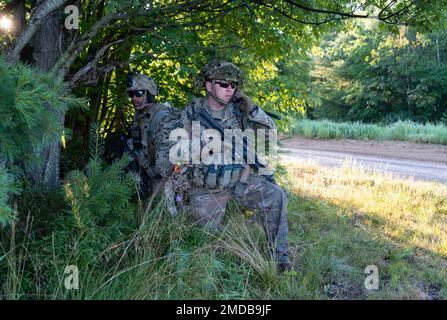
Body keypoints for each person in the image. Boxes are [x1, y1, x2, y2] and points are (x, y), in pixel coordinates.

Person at [177, 60, 292, 271]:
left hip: (239, 182)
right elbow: (177, 155)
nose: (230, 89)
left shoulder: (239, 113)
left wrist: (252, 108)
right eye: (223, 84)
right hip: (207, 189)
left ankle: (279, 260)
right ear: (209, 85)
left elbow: (269, 133)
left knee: (276, 195)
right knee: (201, 249)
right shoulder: (191, 113)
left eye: (234, 85)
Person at [126, 73, 180, 199]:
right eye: (131, 94)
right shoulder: (140, 115)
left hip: (166, 174)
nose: (134, 98)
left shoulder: (160, 116)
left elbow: (166, 159)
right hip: (150, 171)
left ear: (149, 94)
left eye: (138, 93)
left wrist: (153, 171)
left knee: (165, 210)